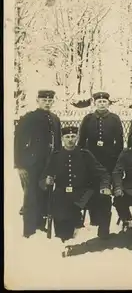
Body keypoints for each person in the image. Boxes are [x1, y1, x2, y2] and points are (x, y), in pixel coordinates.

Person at [39, 126, 112, 242]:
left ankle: (103, 237)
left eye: (73, 136)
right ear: (62, 138)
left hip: (83, 194)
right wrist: (46, 181)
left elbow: (103, 173)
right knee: (64, 236)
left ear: (77, 137)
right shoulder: (56, 156)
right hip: (62, 195)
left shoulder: (85, 154)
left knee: (105, 199)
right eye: (67, 137)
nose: (70, 140)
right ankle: (67, 233)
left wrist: (105, 187)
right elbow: (43, 178)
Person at [14, 89, 62, 238]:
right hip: (32, 165)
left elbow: (58, 143)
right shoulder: (29, 118)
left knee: (44, 195)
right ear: (38, 101)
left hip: (48, 164)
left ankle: (40, 225)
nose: (47, 103)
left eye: (50, 101)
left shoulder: (55, 119)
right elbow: (18, 142)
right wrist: (20, 165)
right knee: (31, 197)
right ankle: (29, 231)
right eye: (44, 100)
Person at [77, 91, 124, 230]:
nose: (102, 104)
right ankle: (93, 218)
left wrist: (116, 157)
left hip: (109, 159)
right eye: (99, 102)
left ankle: (103, 217)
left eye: (104, 102)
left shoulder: (114, 118)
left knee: (104, 188)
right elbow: (81, 140)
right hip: (91, 158)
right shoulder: (88, 118)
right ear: (95, 103)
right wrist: (82, 157)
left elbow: (120, 141)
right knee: (92, 187)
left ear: (108, 103)